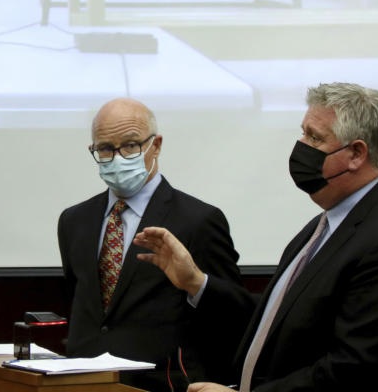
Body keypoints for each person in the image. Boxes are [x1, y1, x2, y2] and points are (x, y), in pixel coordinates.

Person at [134, 82, 378, 392]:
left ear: (357, 154)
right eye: (303, 132)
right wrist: (196, 283)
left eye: (314, 137)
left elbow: (356, 371)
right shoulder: (323, 226)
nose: (301, 145)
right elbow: (281, 323)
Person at [57, 98, 241, 392]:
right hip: (84, 382)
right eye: (105, 148)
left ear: (155, 145)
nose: (117, 158)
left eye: (130, 145)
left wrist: (196, 283)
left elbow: (234, 312)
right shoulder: (74, 220)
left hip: (163, 384)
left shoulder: (199, 220)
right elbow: (81, 301)